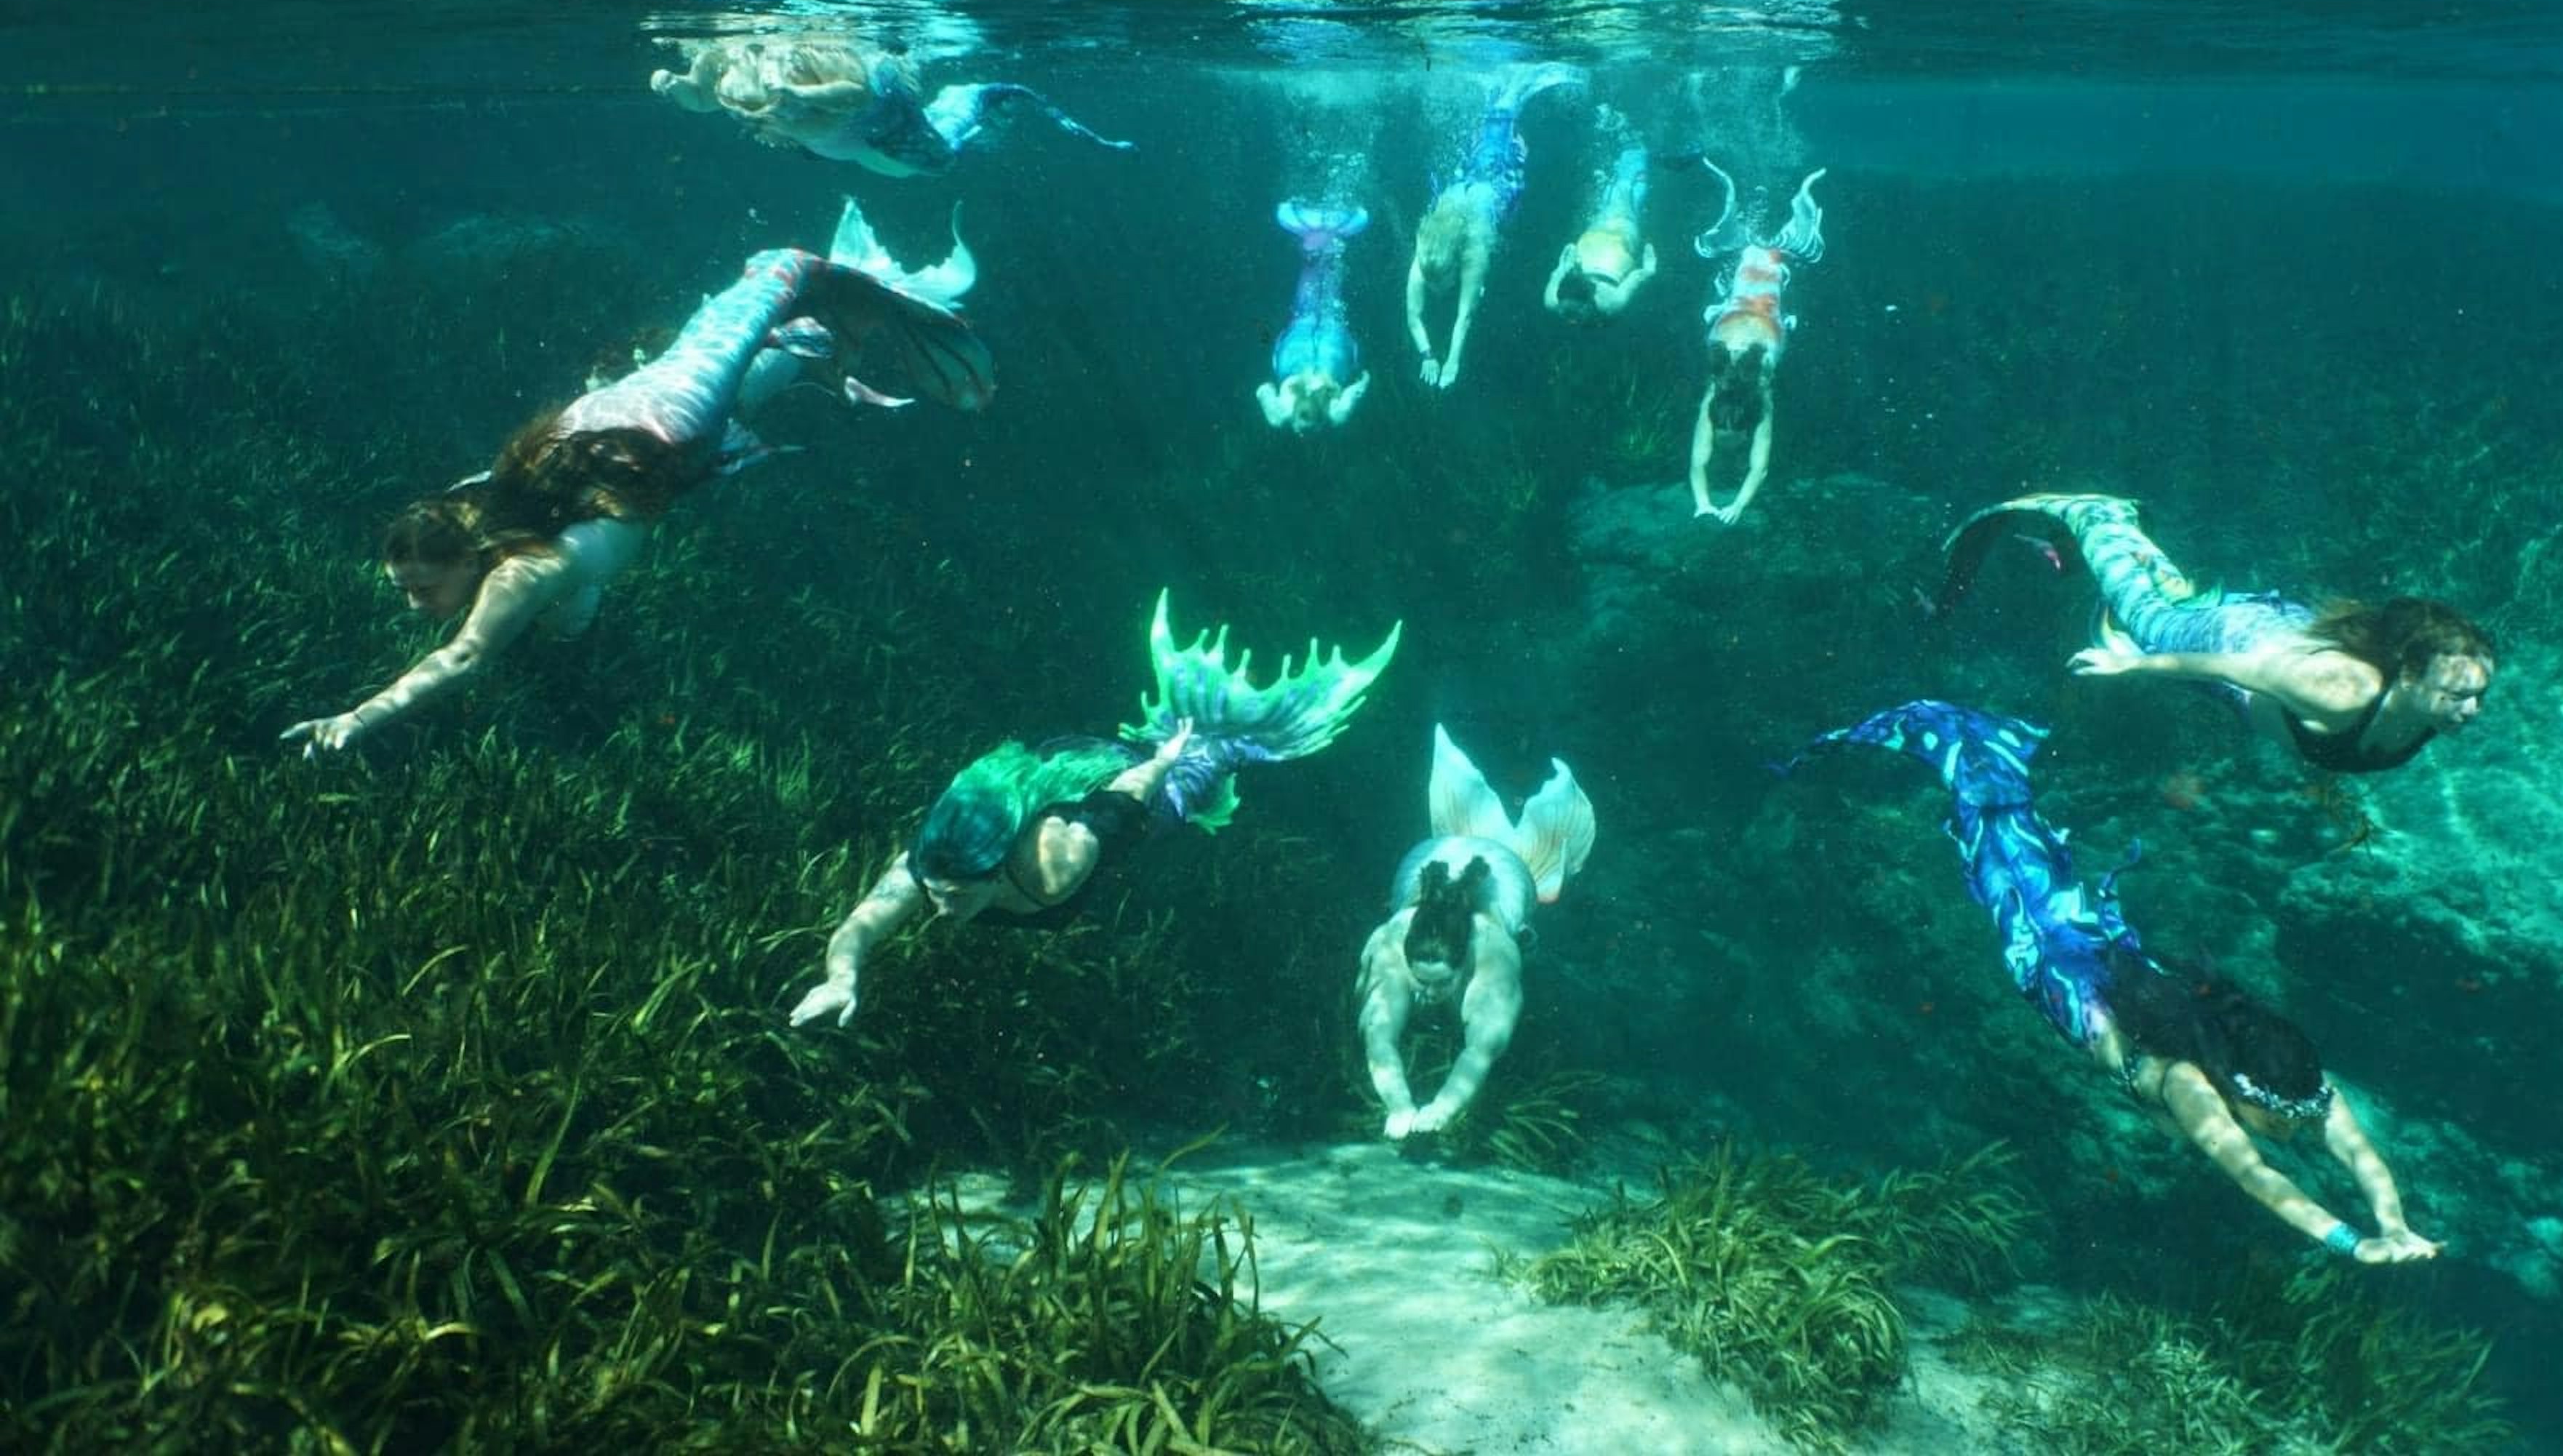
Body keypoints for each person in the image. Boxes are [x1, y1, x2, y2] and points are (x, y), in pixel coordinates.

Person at [280, 201, 991, 755]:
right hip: (616, 428)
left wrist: (359, 717)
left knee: (752, 306)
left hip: (666, 427)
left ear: (468, 558)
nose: (414, 606)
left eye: (422, 589)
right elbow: (513, 563)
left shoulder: (522, 574)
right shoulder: (471, 511)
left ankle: (808, 283)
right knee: (753, 373)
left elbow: (465, 656)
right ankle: (818, 342)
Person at [1782, 700, 2443, 1263]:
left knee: (2029, 852)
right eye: (2286, 1121)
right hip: (2053, 969)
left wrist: (2396, 1225)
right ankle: (1945, 736)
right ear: (2248, 1090)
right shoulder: (2189, 1085)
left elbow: (2359, 1154)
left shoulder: (2288, 1069)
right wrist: (2352, 1243)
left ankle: (1966, 740)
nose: (2298, 1135)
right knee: (2000, 850)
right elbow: (2255, 1177)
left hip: (2103, 949)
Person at [788, 591, 1404, 1028]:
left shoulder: (1054, 865)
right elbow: (862, 924)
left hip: (1113, 786)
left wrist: (1168, 757)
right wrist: (842, 977)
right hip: (1050, 773)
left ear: (999, 867)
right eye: (939, 892)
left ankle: (1225, 738)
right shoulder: (931, 867)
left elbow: (1123, 799)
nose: (941, 906)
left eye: (957, 893)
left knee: (1206, 769)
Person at [1932, 494, 2495, 772]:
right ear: (2409, 674)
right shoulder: (2338, 689)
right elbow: (2230, 668)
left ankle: (2091, 558)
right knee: (2151, 617)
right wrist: (2132, 668)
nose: (2471, 709)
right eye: (2458, 695)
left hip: (2276, 634)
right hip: (2237, 644)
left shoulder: (2419, 709)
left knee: (2169, 603)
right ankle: (2100, 517)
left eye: (2477, 695)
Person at [1356, 725, 1597, 1140]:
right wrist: (1399, 1107)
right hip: (1432, 860)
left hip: (1512, 874)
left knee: (1550, 890)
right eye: (1421, 981)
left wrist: (1441, 1110)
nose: (1429, 995)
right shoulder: (1390, 943)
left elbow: (1480, 1051)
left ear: (1464, 957)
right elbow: (1377, 1040)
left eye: (1442, 983)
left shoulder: (1495, 952)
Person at [651, 36, 1132, 179]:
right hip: (834, 144)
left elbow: (855, 94)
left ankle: (977, 95)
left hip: (879, 113)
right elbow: (701, 99)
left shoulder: (799, 61)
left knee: (939, 160)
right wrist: (674, 86)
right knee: (883, 164)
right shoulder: (729, 65)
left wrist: (804, 97)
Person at [1405, 62, 1586, 391]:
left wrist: (1453, 361)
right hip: (1466, 188)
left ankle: (1518, 87)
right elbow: (1414, 314)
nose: (1436, 292)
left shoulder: (1474, 251)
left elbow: (1466, 315)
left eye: (1442, 285)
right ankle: (1495, 91)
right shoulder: (1426, 254)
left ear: (1454, 266)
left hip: (1493, 189)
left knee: (1501, 152)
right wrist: (1428, 354)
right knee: (1481, 153)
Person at [1689, 159, 1826, 526]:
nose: (1722, 439)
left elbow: (1756, 468)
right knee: (1752, 260)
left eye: (1722, 438)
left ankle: (1786, 194)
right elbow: (1703, 463)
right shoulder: (1720, 396)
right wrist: (1711, 503)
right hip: (1734, 318)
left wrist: (1722, 504)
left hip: (1763, 315)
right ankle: (1768, 195)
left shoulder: (1755, 397)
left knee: (1773, 260)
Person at [1258, 201, 1372, 432]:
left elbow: (1358, 389)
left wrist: (1364, 379)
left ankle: (1331, 241)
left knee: (1330, 299)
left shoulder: (1335, 413)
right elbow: (1263, 390)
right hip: (1302, 345)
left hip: (1329, 343)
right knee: (1308, 303)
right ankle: (1314, 240)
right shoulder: (1282, 414)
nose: (1298, 431)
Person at [1543, 117, 1660, 323]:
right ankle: (1618, 161)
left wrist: (1650, 269)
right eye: (1567, 313)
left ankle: (1635, 145)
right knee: (1611, 204)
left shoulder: (1611, 304)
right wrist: (1564, 265)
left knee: (1627, 195)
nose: (1571, 321)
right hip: (1589, 244)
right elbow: (1557, 275)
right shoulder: (1552, 301)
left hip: (1619, 244)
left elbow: (1637, 277)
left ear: (1590, 301)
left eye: (1573, 314)